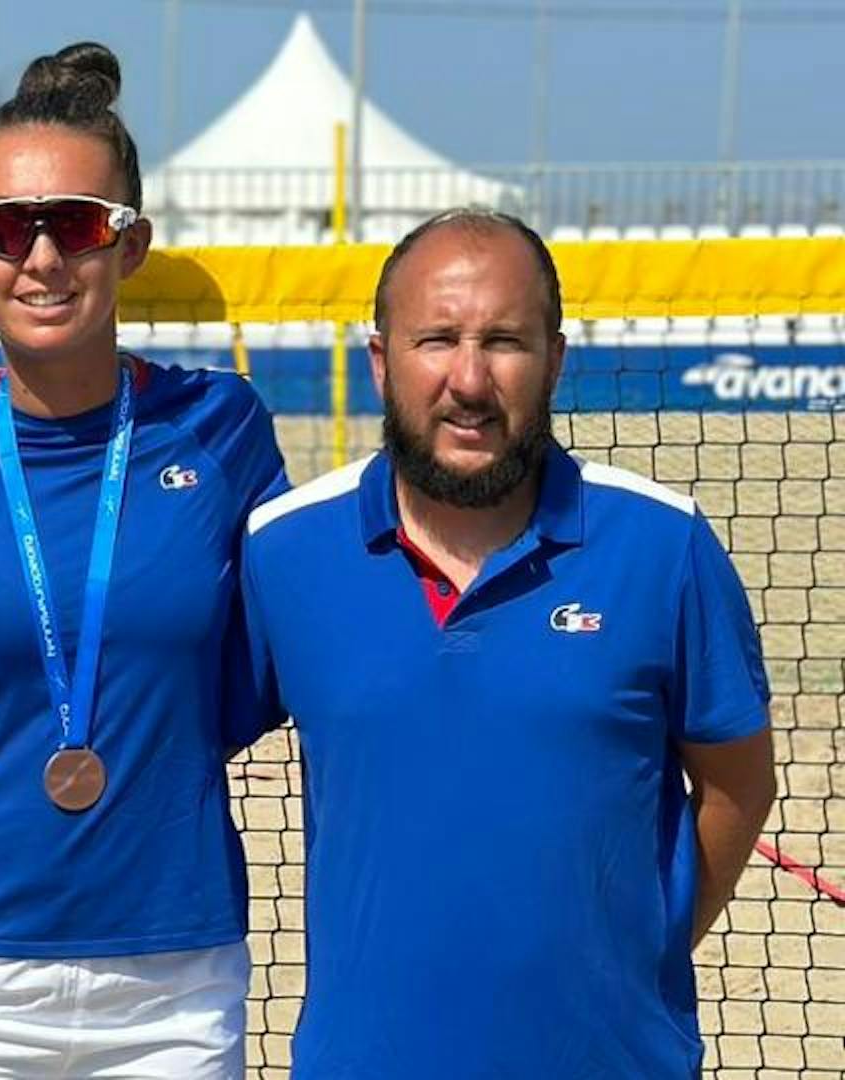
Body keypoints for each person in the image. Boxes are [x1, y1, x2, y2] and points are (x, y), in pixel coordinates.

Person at [0, 44, 289, 1078]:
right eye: (2, 231)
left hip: (174, 972)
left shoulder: (222, 427)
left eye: (73, 224)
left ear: (129, 243)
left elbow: (290, 654)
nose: (39, 259)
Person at [238, 208, 778, 1076]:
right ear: (381, 361)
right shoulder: (284, 549)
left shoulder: (662, 545)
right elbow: (161, 739)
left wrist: (632, 949)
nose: (469, 379)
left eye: (506, 342)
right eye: (436, 339)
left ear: (556, 359)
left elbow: (739, 786)